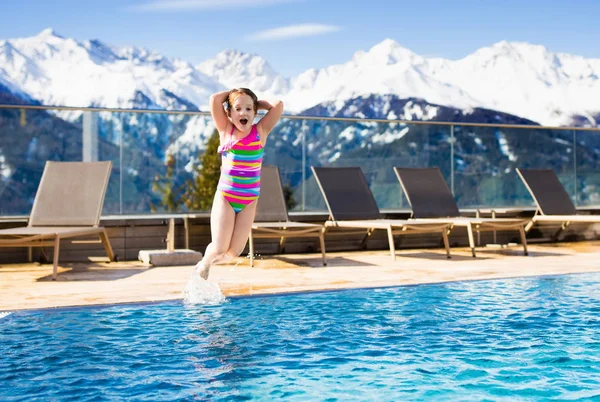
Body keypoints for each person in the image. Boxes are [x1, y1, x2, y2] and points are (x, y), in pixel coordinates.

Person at [195, 88, 284, 279]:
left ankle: (211, 261)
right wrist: (235, 93)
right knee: (219, 247)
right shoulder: (226, 130)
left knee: (234, 252)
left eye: (249, 109)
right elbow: (214, 98)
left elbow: (278, 106)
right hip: (226, 197)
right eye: (238, 109)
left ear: (255, 113)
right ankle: (205, 263)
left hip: (249, 200)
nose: (243, 113)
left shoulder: (260, 131)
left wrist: (255, 101)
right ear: (229, 113)